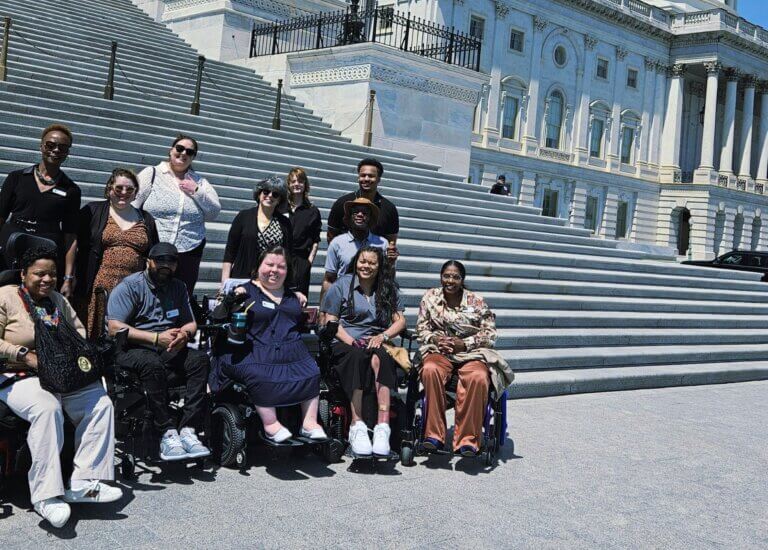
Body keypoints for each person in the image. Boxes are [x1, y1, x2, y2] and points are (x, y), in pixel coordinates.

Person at [0, 246, 121, 529]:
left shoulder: (57, 300)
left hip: (61, 374)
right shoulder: (5, 297)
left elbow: (78, 331)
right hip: (17, 375)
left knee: (100, 404)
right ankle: (46, 496)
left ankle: (83, 481)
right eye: (39, 274)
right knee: (47, 407)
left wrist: (79, 355)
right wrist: (22, 354)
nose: (46, 280)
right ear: (23, 274)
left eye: (52, 274)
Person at [107, 242, 211, 461]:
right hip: (133, 348)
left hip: (169, 346)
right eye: (160, 260)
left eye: (171, 261)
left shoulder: (179, 287)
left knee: (199, 360)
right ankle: (166, 431)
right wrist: (155, 338)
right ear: (148, 262)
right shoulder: (130, 286)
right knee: (151, 364)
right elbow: (114, 327)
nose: (166, 265)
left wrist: (185, 334)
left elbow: (191, 324)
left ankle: (188, 430)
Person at [211, 247, 326, 442]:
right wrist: (230, 300)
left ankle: (309, 423)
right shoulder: (245, 291)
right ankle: (270, 425)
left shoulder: (292, 296)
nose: (274, 270)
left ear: (287, 271)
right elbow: (217, 317)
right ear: (257, 267)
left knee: (311, 370)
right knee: (260, 374)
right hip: (252, 351)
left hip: (290, 351)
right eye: (269, 264)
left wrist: (299, 299)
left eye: (281, 266)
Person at [414, 260, 514, 456]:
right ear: (441, 277)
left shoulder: (476, 301)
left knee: (477, 377)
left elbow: (490, 333)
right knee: (430, 369)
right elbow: (421, 328)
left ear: (462, 279)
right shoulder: (430, 297)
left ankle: (467, 440)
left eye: (455, 277)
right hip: (440, 351)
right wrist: (435, 338)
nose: (450, 280)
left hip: (471, 353)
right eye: (446, 276)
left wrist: (465, 343)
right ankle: (433, 436)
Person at [320, 246, 406, 457]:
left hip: (376, 340)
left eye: (372, 263)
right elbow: (331, 320)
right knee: (357, 356)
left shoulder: (388, 288)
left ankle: (382, 429)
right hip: (346, 341)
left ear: (380, 266)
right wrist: (351, 340)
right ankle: (357, 427)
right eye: (362, 261)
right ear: (356, 262)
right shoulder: (341, 285)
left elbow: (400, 321)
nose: (366, 266)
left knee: (383, 358)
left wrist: (383, 336)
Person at [75, 168, 159, 339]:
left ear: (136, 193)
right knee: (94, 333)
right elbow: (74, 242)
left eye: (130, 189)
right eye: (119, 188)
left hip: (131, 288)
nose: (124, 193)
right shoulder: (92, 211)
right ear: (109, 189)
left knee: (123, 333)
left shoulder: (146, 219)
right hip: (98, 286)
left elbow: (153, 252)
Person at [134, 134, 221, 298]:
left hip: (189, 249)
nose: (183, 153)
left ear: (193, 157)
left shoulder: (200, 181)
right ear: (171, 150)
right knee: (148, 293)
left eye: (189, 151)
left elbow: (214, 212)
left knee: (180, 296)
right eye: (179, 148)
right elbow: (133, 204)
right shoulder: (152, 173)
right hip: (154, 245)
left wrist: (196, 191)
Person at [0, 124, 81, 298]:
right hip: (12, 246)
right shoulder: (17, 178)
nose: (56, 150)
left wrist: (68, 277)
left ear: (67, 152)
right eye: (50, 145)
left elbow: (70, 236)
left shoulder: (71, 190)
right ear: (41, 146)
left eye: (62, 147)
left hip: (46, 252)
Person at [221, 176, 293, 284]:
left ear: (279, 200)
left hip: (270, 280)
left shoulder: (284, 223)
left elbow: (287, 256)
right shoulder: (243, 216)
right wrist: (225, 281)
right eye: (266, 192)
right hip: (242, 278)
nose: (269, 196)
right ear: (259, 194)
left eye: (275, 194)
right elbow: (230, 252)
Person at [326, 158, 399, 263]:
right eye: (363, 175)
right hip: (346, 263)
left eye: (371, 176)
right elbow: (331, 235)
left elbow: (391, 241)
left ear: (379, 179)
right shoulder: (343, 203)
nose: (366, 178)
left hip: (374, 266)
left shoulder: (389, 208)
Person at [320, 197, 387, 305]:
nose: (360, 215)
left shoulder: (383, 244)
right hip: (343, 302)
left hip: (373, 302)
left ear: (370, 218)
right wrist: (323, 310)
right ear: (350, 217)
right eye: (355, 212)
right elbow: (329, 279)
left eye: (365, 213)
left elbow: (387, 277)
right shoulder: (337, 243)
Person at [286, 168, 321, 297]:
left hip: (301, 261)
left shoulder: (312, 211)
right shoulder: (281, 207)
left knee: (299, 301)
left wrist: (309, 261)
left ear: (305, 184)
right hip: (281, 257)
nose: (296, 184)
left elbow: (316, 239)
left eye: (300, 181)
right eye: (293, 181)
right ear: (288, 185)